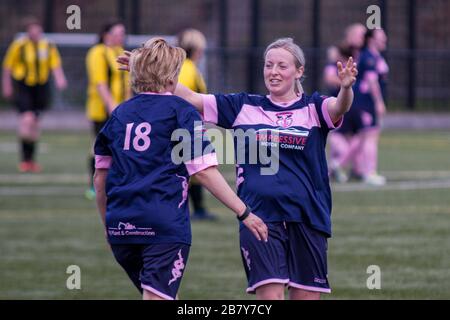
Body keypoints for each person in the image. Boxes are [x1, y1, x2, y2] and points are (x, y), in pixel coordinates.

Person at [118, 36, 357, 300]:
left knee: (305, 297)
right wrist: (149, 73)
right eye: (268, 65)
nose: (273, 72)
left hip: (309, 216)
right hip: (260, 217)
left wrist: (345, 88)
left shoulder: (314, 107)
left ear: (299, 71)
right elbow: (192, 97)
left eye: (282, 66)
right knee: (271, 297)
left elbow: (339, 107)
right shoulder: (243, 105)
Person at [94, 38, 268, 300]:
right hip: (163, 227)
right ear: (172, 77)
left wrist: (108, 226)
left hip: (122, 227)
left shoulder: (119, 114)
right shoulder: (180, 111)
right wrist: (244, 212)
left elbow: (100, 178)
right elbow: (204, 172)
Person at [2, 17, 67, 173]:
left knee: (35, 124)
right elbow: (8, 67)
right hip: (24, 86)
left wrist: (60, 78)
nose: (35, 33)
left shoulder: (48, 45)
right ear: (27, 31)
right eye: (32, 30)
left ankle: (31, 160)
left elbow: (55, 64)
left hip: (41, 87)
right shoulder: (19, 46)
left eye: (38, 30)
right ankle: (24, 159)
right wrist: (6, 86)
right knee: (27, 119)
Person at [85, 21, 131, 199]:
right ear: (106, 35)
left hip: (119, 108)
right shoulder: (97, 52)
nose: (122, 36)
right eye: (119, 33)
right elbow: (100, 83)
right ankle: (93, 185)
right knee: (99, 146)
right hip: (102, 109)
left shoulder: (120, 52)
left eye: (123, 33)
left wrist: (127, 105)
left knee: (118, 146)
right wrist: (111, 106)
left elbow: (127, 84)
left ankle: (113, 183)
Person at [177, 28, 216, 220]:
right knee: (196, 168)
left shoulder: (189, 67)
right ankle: (195, 209)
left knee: (195, 168)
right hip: (185, 128)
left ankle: (198, 209)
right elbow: (180, 100)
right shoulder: (187, 68)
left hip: (190, 126)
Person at [325, 23, 366, 183]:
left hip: (358, 105)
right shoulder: (339, 52)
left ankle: (356, 169)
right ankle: (334, 167)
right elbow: (329, 76)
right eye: (360, 34)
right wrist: (345, 83)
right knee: (344, 141)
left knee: (359, 137)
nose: (363, 38)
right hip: (342, 105)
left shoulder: (364, 53)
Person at [352, 28, 389, 185]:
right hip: (366, 102)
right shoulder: (369, 58)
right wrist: (379, 102)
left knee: (363, 137)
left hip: (365, 102)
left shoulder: (374, 56)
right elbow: (372, 81)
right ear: (371, 40)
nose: (384, 40)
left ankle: (339, 165)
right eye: (381, 37)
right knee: (370, 136)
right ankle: (370, 173)